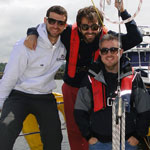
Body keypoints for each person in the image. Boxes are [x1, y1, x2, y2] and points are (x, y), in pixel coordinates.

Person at [24, 1, 143, 149]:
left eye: (94, 27)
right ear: (79, 26)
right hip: (72, 88)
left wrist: (122, 11)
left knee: (97, 126)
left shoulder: (108, 38)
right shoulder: (68, 32)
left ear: (100, 27)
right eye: (85, 27)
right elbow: (45, 28)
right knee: (74, 128)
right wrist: (32, 34)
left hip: (97, 89)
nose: (90, 31)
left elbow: (136, 37)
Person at [0, 5, 67, 150]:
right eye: (52, 21)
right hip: (19, 95)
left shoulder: (64, 45)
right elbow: (10, 76)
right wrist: (1, 103)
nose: (55, 26)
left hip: (44, 97)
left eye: (60, 23)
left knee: (54, 138)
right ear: (45, 21)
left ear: (65, 25)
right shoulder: (25, 44)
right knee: (5, 131)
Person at [74, 33, 150, 150]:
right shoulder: (90, 78)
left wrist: (138, 136)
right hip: (98, 144)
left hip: (128, 144)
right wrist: (88, 136)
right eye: (105, 50)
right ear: (100, 53)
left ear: (120, 52)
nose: (109, 54)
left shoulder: (134, 77)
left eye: (113, 50)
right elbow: (80, 110)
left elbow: (145, 109)